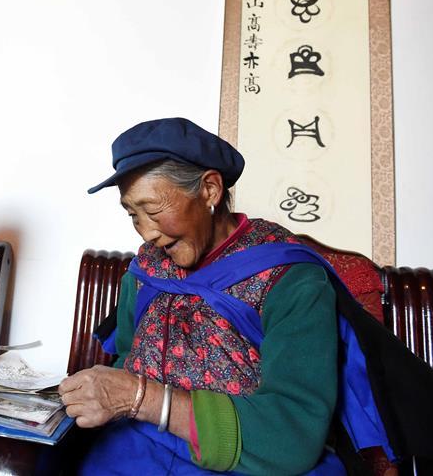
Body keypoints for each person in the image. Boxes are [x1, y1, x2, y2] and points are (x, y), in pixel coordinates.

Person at [59, 117, 361, 475]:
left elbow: (293, 435)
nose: (146, 232)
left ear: (210, 190)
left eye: (152, 211)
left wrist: (142, 398)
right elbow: (126, 359)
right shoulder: (145, 272)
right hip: (133, 450)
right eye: (132, 215)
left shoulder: (289, 278)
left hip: (246, 464)